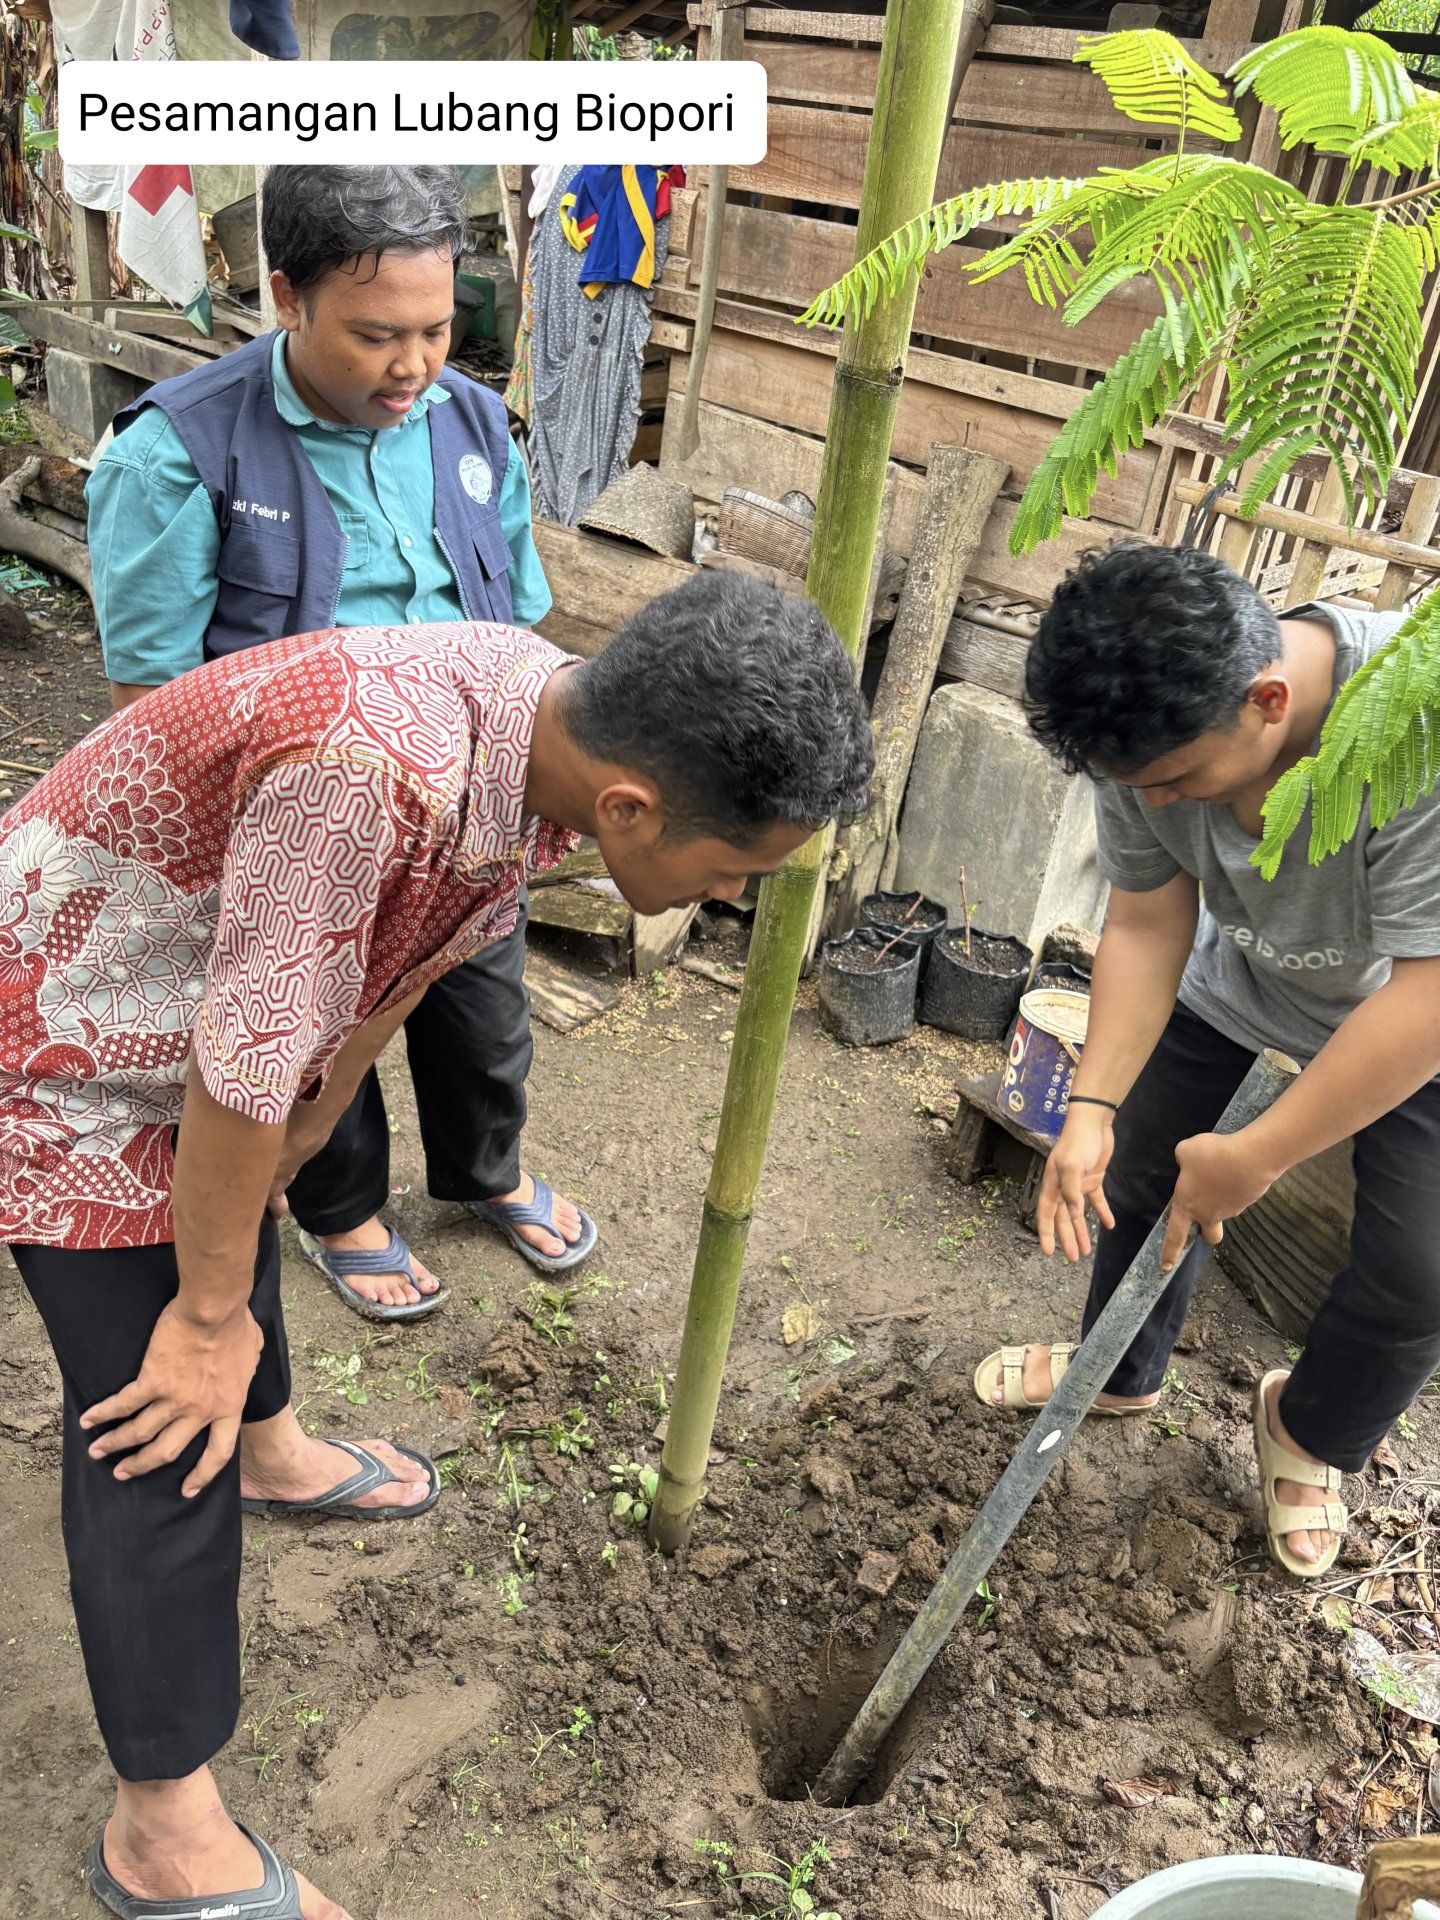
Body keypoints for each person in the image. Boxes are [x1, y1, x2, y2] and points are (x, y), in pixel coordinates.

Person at [0, 571, 874, 1920]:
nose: (740, 896)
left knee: (231, 1235)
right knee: (163, 1399)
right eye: (739, 872)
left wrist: (322, 1102)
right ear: (637, 807)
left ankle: (277, 1453)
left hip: (202, 1013)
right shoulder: (372, 769)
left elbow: (390, 963)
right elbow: (236, 1071)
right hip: (67, 1035)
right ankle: (160, 1833)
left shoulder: (549, 721)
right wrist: (210, 1313)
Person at [88, 162, 590, 1323]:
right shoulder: (178, 453)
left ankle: (487, 1168)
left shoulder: (467, 420)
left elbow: (512, 610)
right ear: (284, 296)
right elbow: (151, 706)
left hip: (470, 800)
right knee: (312, 1027)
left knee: (483, 999)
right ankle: (341, 1205)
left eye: (435, 329)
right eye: (375, 336)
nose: (413, 366)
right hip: (304, 824)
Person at [972, 541, 1440, 1580]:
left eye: (1178, 782)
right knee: (1137, 1162)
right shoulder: (1147, 744)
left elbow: (1426, 995)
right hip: (1250, 982)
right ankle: (1119, 1372)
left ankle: (1310, 1436)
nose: (1164, 805)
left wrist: (1260, 1153)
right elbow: (1145, 919)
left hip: (1415, 1014)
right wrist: (1090, 1106)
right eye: (1141, 789)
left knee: (1421, 1276)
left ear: (1269, 699)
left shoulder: (1420, 730)